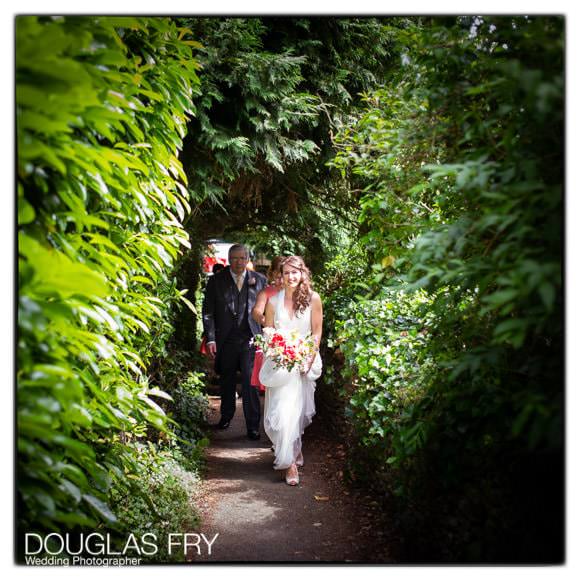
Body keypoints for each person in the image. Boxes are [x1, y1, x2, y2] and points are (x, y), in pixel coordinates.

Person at [260, 256, 323, 485]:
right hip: (280, 364)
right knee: (281, 412)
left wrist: (308, 357)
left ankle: (293, 455)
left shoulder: (313, 299)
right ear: (281, 276)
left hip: (303, 363)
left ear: (303, 274)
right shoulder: (273, 302)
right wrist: (277, 350)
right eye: (286, 273)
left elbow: (316, 333)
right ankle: (290, 464)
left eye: (295, 272)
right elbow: (268, 331)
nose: (291, 277)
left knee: (296, 413)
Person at [202, 244, 267, 440]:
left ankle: (253, 425)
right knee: (227, 380)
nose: (239, 262)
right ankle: (226, 416)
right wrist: (211, 338)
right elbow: (208, 312)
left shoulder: (260, 281)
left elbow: (268, 311)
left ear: (248, 260)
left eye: (242, 258)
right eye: (235, 258)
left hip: (251, 339)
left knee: (250, 382)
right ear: (229, 259)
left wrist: (266, 336)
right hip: (226, 339)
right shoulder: (216, 281)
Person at [250, 256, 285, 392]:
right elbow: (256, 311)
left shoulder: (295, 293)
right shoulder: (266, 292)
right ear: (272, 274)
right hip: (274, 340)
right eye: (278, 275)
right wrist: (266, 322)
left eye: (284, 274)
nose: (281, 279)